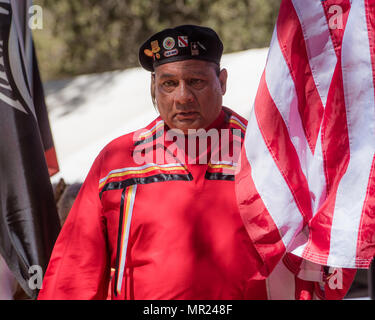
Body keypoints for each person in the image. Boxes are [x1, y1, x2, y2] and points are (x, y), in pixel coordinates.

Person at [37, 25, 355, 300]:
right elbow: (75, 267)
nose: (182, 96)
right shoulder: (118, 161)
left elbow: (326, 247)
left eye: (196, 82)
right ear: (154, 89)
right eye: (169, 84)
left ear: (223, 81)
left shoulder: (268, 156)